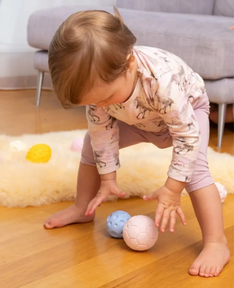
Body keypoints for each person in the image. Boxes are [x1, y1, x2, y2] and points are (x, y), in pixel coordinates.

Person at [44, 8, 230, 278]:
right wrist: (107, 179)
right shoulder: (101, 96)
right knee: (89, 144)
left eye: (105, 98)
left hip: (185, 115)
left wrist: (172, 188)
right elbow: (102, 133)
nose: (100, 106)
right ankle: (82, 208)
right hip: (140, 119)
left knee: (195, 170)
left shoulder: (161, 80)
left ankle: (217, 243)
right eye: (92, 103)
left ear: (130, 65)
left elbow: (186, 136)